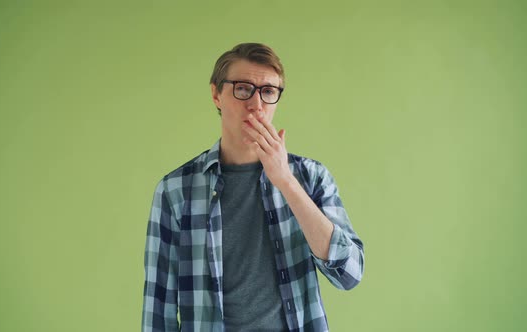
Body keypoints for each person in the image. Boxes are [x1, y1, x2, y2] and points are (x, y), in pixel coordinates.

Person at [142, 42, 364, 331]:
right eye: (243, 88)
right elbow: (158, 308)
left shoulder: (310, 177)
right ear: (216, 95)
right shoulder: (175, 191)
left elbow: (349, 274)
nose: (256, 104)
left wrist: (285, 180)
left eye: (268, 92)